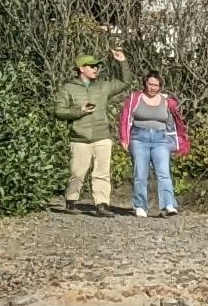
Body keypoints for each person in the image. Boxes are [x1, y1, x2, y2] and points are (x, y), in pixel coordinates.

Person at [117, 68, 188, 217]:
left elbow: (177, 120)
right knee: (140, 173)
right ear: (145, 83)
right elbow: (125, 118)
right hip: (139, 137)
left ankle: (168, 204)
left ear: (160, 86)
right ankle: (140, 205)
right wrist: (124, 138)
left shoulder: (166, 101)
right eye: (150, 84)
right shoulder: (135, 99)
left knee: (163, 173)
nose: (152, 88)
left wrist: (180, 140)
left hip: (160, 139)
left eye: (156, 85)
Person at [58, 54, 120, 211]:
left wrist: (122, 61)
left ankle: (101, 204)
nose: (95, 69)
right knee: (77, 173)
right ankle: (71, 200)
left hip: (102, 136)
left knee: (102, 173)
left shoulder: (102, 86)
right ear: (81, 69)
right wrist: (80, 111)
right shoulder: (68, 88)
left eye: (96, 66)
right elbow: (59, 111)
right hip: (79, 138)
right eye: (91, 66)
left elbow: (125, 82)